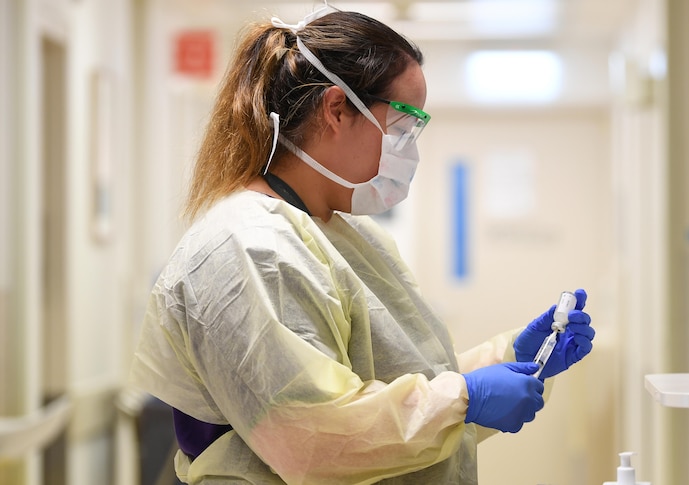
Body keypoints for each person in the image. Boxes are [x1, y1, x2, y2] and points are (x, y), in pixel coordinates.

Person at [128, 3, 595, 484]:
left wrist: (510, 359)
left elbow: (397, 386)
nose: (410, 146)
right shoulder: (251, 248)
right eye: (404, 124)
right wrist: (466, 398)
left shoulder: (346, 235)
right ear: (336, 108)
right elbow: (316, 438)